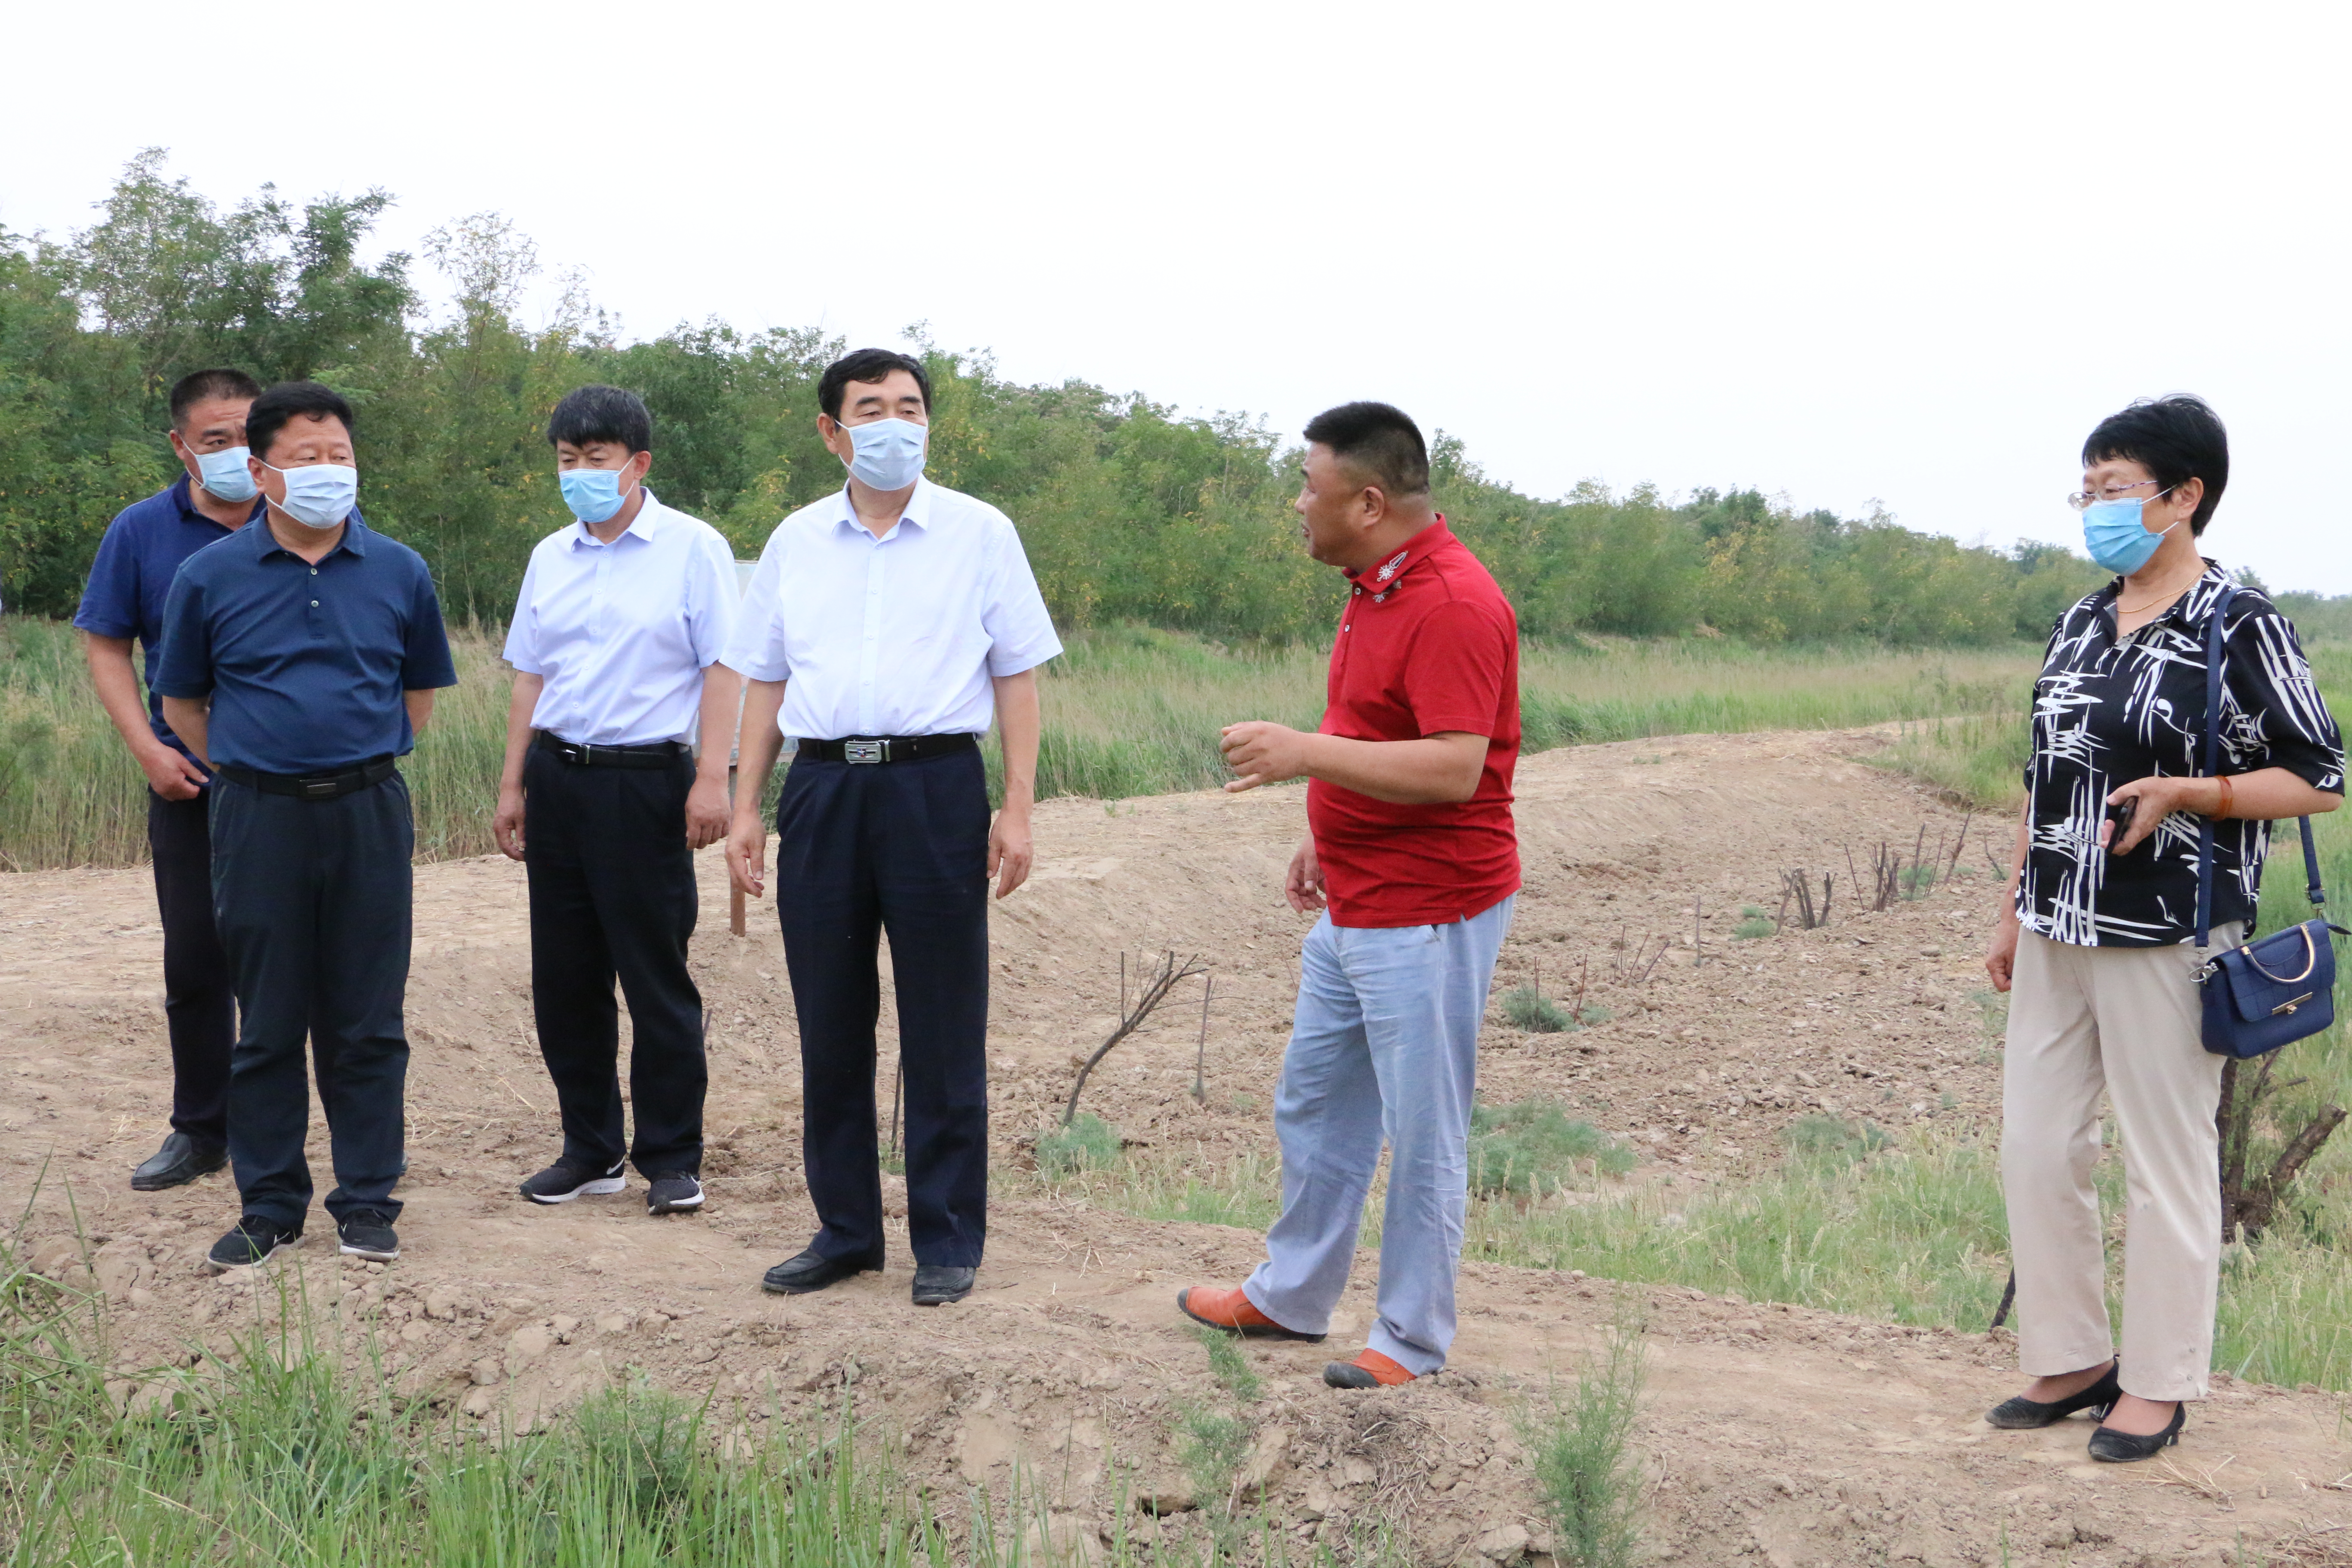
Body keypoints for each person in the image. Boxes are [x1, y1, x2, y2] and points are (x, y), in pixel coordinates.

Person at [1983, 395, 2343, 1462]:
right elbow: (2044, 778)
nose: (2095, 507)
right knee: (2038, 1149)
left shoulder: (2240, 621)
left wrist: (2195, 792)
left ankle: (2159, 1383)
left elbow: (2318, 778)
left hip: (2169, 936)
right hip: (2056, 923)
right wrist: (2009, 907)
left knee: (2166, 1160)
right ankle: (2072, 1357)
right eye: (2086, 488)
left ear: (2184, 498)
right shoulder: (2081, 620)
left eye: (2115, 489)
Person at [1180, 401, 1520, 1390]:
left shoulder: (1453, 602)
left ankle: (1409, 1340)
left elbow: (1457, 768)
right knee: (1320, 1102)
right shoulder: (1376, 583)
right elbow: (1378, 728)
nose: (1299, 504)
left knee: (1422, 1130)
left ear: (1369, 502)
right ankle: (1291, 1295)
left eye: (1311, 488)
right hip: (1359, 895)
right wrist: (1321, 829)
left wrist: (1301, 757)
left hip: (1428, 908)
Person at [721, 347, 1061, 1307]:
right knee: (831, 1020)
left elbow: (1017, 674)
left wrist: (1019, 805)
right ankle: (844, 1232)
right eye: (869, 408)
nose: (892, 424)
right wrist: (749, 803)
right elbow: (766, 677)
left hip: (935, 788)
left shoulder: (980, 533)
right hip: (824, 790)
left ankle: (948, 1238)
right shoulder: (796, 540)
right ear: (832, 431)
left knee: (944, 1021)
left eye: (909, 407)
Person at [153, 380, 458, 1270]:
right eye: (305, 457)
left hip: (367, 812)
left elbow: (419, 694)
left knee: (368, 1019)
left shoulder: (400, 569)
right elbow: (183, 701)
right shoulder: (209, 575)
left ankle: (366, 1200)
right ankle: (271, 1204)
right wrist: (260, 764)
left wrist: (359, 756)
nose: (329, 472)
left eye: (341, 456)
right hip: (257, 817)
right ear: (259, 470)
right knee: (269, 1020)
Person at [495, 385, 741, 1216]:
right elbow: (533, 674)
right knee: (565, 977)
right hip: (559, 778)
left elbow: (723, 667)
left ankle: (671, 1156)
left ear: (637, 464)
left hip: (647, 782)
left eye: (596, 461)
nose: (581, 476)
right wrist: (512, 783)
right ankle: (589, 1149)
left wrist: (714, 777)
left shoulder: (692, 548)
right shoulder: (550, 556)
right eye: (568, 461)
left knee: (654, 973)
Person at [74, 368, 266, 1192]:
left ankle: (285, 1135)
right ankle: (201, 1132)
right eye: (215, 440)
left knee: (295, 965)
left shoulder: (310, 516)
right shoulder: (142, 531)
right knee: (195, 963)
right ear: (182, 445)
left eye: (249, 437)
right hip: (186, 781)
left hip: (293, 780)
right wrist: (148, 751)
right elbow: (107, 645)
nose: (234, 455)